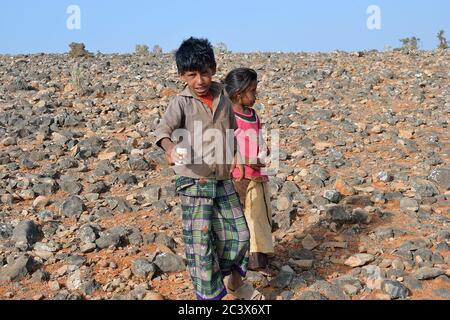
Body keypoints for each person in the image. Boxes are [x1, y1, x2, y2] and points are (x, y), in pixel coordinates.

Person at [155, 37, 264, 300]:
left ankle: (235, 283)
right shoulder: (180, 102)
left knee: (239, 233)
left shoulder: (224, 98)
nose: (200, 80)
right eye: (192, 75)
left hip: (223, 178)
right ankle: (208, 297)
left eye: (204, 73)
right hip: (194, 181)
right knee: (201, 243)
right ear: (182, 75)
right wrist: (171, 150)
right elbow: (163, 131)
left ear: (214, 69)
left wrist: (246, 156)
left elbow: (234, 132)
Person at [224, 68, 274, 272]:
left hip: (258, 174)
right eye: (252, 91)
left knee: (260, 215)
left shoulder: (253, 115)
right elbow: (225, 147)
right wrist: (245, 161)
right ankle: (246, 259)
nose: (256, 95)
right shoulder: (227, 116)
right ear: (239, 94)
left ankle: (259, 258)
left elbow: (259, 136)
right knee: (247, 218)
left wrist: (264, 150)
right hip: (240, 176)